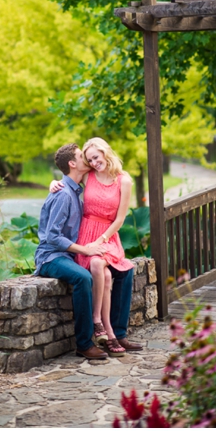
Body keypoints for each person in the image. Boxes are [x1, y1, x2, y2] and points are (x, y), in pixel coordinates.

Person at [36, 143, 142, 360]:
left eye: (92, 158)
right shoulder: (65, 193)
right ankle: (85, 343)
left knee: (123, 271)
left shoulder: (76, 188)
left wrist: (56, 181)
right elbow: (52, 237)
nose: (89, 162)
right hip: (51, 255)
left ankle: (117, 334)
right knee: (83, 278)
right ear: (73, 164)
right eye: (83, 158)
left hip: (72, 250)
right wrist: (86, 249)